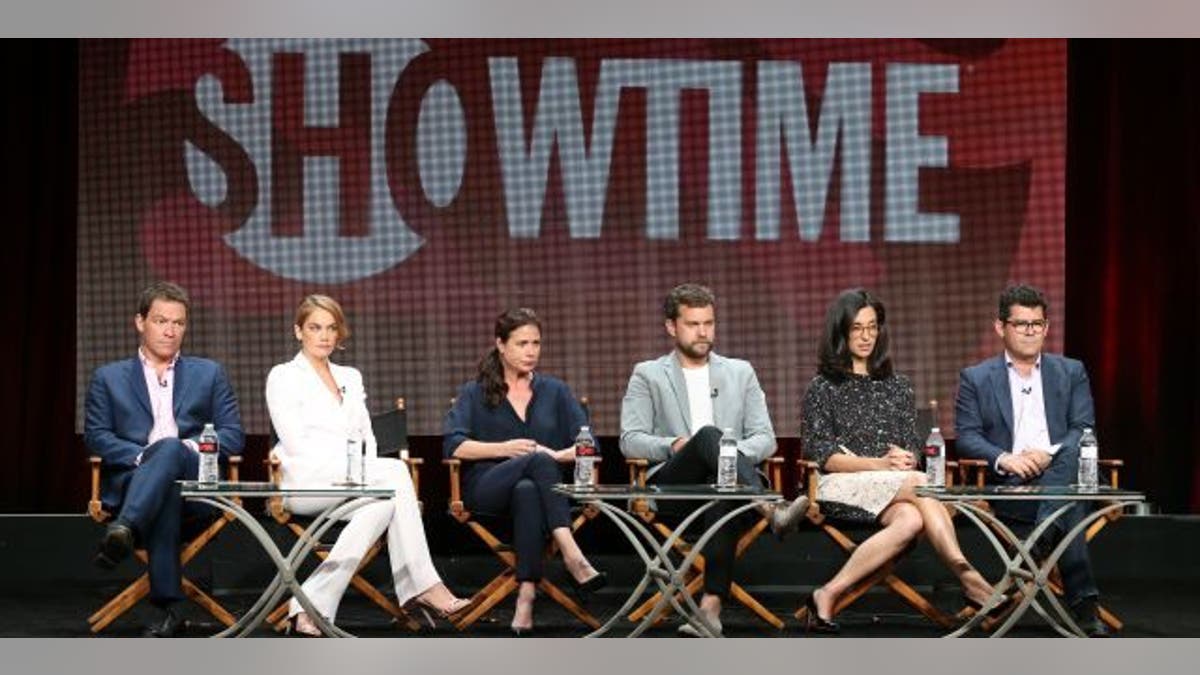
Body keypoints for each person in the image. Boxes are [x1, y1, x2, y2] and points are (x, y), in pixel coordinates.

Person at [800, 288, 1002, 633]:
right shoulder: (822, 387)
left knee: (910, 519)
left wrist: (907, 458)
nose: (866, 336)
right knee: (923, 485)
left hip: (896, 487)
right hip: (840, 486)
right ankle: (970, 580)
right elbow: (824, 456)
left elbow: (913, 447)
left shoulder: (899, 387)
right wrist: (881, 464)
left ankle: (827, 593)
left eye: (872, 327)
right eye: (857, 328)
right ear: (840, 332)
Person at [266, 295, 470, 636]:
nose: (324, 335)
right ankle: (422, 585)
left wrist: (363, 469)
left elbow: (367, 436)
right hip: (304, 481)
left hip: (351, 481)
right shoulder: (284, 376)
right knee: (394, 472)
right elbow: (296, 442)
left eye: (331, 328)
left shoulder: (350, 375)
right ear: (298, 331)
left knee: (385, 504)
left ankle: (308, 608)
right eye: (315, 327)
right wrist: (360, 469)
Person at [619, 283, 809, 637]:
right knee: (709, 436)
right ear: (671, 327)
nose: (703, 331)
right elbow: (630, 440)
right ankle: (772, 510)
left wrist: (730, 454)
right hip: (676, 488)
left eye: (709, 322)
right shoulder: (648, 374)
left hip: (730, 488)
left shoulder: (740, 372)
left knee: (725, 486)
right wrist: (673, 444)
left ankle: (709, 611)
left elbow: (765, 439)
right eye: (693, 324)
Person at [85, 281, 245, 637]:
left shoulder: (209, 373)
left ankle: (124, 530)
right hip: (135, 481)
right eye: (161, 321)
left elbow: (233, 435)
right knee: (165, 487)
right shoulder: (108, 378)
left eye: (178, 323)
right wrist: (147, 455)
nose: (171, 331)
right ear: (140, 322)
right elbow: (97, 437)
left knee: (172, 448)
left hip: (197, 487)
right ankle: (171, 609)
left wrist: (181, 449)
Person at [954, 284, 1109, 637]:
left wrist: (1046, 454)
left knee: (1071, 454)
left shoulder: (1071, 372)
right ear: (1000, 328)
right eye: (1021, 324)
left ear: (1047, 327)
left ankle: (1036, 548)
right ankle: (1084, 604)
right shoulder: (976, 378)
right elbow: (967, 437)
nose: (1029, 331)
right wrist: (1005, 459)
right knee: (1069, 505)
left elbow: (1083, 429)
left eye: (1036, 324)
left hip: (1065, 474)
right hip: (1014, 488)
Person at [443, 308, 608, 636]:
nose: (531, 351)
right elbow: (454, 447)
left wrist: (560, 454)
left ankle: (526, 596)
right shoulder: (475, 393)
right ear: (501, 345)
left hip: (541, 494)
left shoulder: (555, 391)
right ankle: (571, 549)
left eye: (536, 343)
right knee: (533, 457)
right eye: (522, 343)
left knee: (529, 489)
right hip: (488, 486)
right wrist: (506, 449)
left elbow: (590, 447)